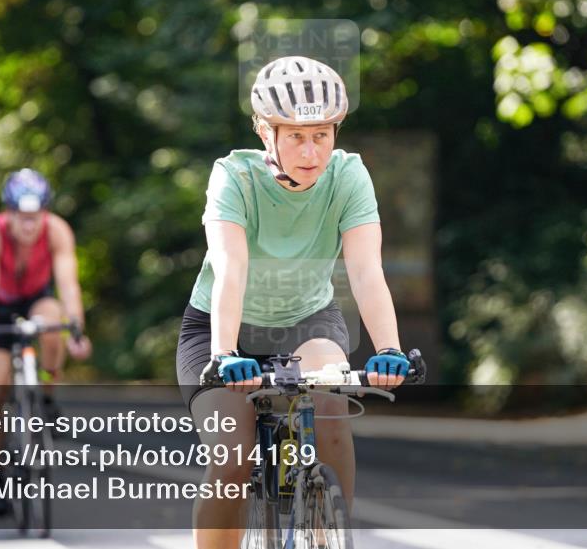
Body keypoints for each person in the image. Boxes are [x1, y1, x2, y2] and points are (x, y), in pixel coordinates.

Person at [176, 56, 411, 548]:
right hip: (223, 330)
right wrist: (224, 355)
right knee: (232, 457)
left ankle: (334, 531)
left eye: (321, 135)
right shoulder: (234, 178)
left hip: (309, 322)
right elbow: (230, 269)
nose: (311, 152)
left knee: (329, 405)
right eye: (296, 136)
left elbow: (367, 271)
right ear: (267, 133)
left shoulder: (348, 176)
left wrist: (389, 347)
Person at [0, 168, 92, 515]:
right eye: (21, 218)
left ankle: (47, 395)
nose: (28, 226)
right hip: (1, 305)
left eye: (34, 217)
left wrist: (78, 332)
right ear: (8, 213)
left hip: (38, 298)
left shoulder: (57, 231)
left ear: (44, 212)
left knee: (52, 322)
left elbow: (69, 285)